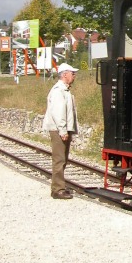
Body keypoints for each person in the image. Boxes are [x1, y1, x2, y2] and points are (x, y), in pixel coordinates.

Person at [42, 62, 79, 199]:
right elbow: (59, 113)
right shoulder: (59, 91)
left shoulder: (64, 90)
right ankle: (58, 189)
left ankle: (58, 187)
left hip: (61, 129)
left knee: (62, 159)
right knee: (59, 159)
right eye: (72, 73)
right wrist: (63, 131)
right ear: (65, 75)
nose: (74, 76)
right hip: (58, 130)